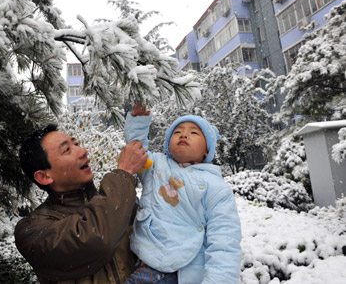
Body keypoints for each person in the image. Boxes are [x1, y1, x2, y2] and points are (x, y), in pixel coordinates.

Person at [124, 102, 242, 284]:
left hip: (183, 268)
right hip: (144, 258)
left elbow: (224, 241)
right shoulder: (155, 165)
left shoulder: (216, 187)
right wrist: (139, 122)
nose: (184, 135)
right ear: (167, 144)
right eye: (177, 132)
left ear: (206, 151)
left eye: (194, 133)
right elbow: (135, 151)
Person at [15, 124, 148, 283]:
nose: (83, 151)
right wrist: (123, 173)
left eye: (76, 144)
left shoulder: (115, 202)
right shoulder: (33, 231)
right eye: (66, 150)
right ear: (44, 177)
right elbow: (98, 240)